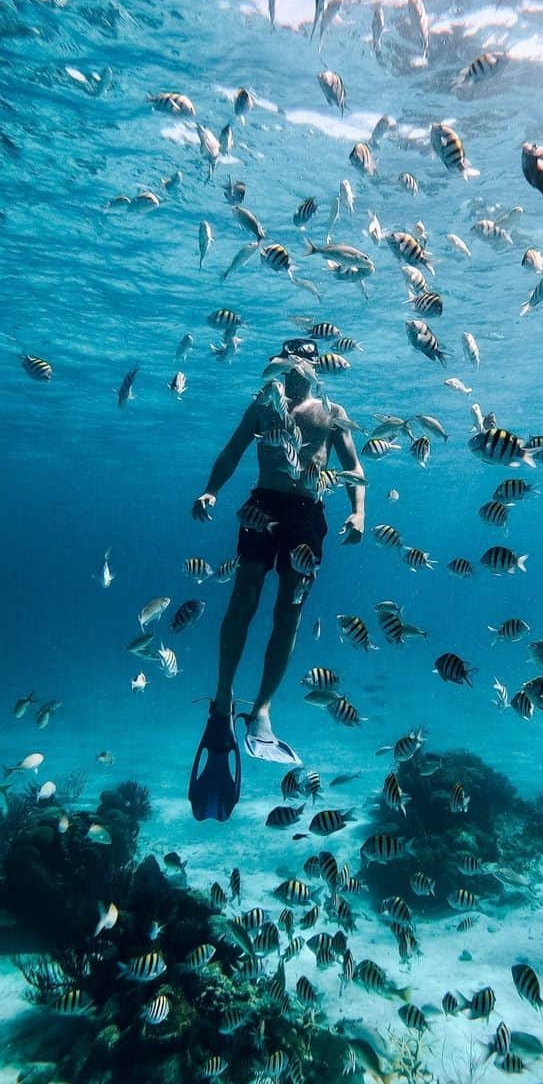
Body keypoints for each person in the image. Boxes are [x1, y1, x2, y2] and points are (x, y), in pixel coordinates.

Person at [187, 338, 365, 821]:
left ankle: (262, 707)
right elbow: (231, 452)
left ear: (315, 365)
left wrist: (359, 514)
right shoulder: (263, 405)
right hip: (263, 502)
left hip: (308, 512)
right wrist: (209, 492)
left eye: (308, 355)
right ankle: (223, 700)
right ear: (283, 362)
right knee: (242, 602)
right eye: (292, 355)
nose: (299, 363)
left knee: (288, 614)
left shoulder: (332, 411)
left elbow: (353, 467)